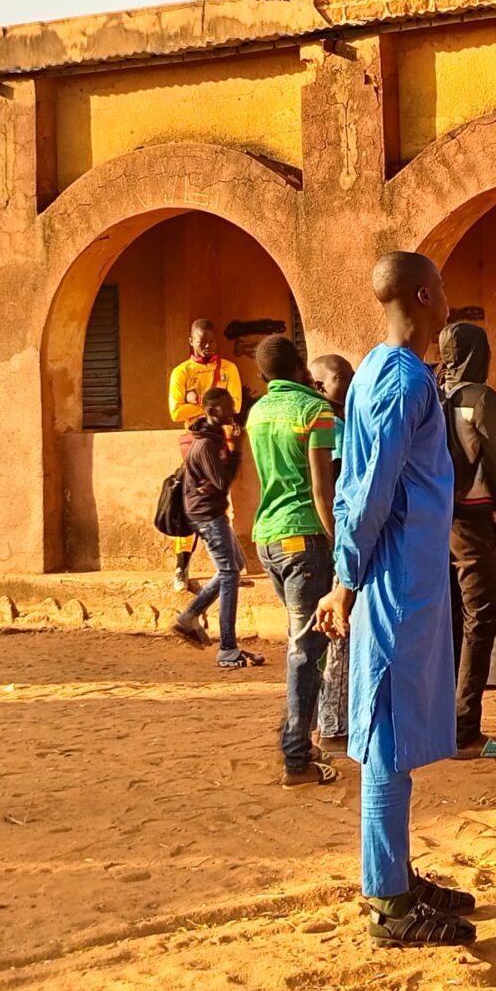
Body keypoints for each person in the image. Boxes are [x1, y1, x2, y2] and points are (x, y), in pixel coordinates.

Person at [315, 253, 479, 948]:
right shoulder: (400, 381)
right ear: (421, 294)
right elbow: (366, 491)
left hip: (406, 576)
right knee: (384, 730)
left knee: (400, 726)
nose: (449, 298)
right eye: (442, 287)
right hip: (390, 581)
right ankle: (388, 902)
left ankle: (398, 875)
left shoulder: (388, 371)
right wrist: (345, 580)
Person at [245, 335, 341, 785]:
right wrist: (339, 541)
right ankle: (297, 758)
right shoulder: (316, 412)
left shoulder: (258, 412)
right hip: (304, 539)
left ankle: (301, 737)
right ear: (301, 366)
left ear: (264, 376)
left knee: (306, 642)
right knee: (305, 649)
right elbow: (322, 489)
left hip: (267, 538)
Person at [440, 322, 496, 760]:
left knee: (450, 620)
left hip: (437, 522)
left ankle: (441, 723)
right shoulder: (482, 398)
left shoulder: (433, 394)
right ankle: (464, 731)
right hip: (473, 520)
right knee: (480, 620)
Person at [171, 391, 258, 667]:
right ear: (211, 409)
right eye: (227, 406)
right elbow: (222, 482)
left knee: (235, 565)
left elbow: (217, 481)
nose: (233, 409)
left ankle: (189, 616)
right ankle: (227, 649)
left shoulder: (214, 437)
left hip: (212, 511)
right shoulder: (207, 445)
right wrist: (239, 449)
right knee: (229, 573)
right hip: (207, 515)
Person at [167, 322, 244, 593]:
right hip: (193, 450)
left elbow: (235, 403)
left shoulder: (229, 369)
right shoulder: (181, 372)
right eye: (202, 342)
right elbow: (176, 411)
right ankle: (181, 566)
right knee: (189, 505)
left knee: (223, 504)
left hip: (221, 446)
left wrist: (197, 404)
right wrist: (210, 405)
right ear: (191, 341)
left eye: (212, 341)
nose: (207, 346)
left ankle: (226, 565)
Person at [307, 352, 358, 741]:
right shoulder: (332, 425)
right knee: (338, 629)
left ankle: (321, 717)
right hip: (337, 536)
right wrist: (340, 542)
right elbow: (335, 484)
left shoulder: (342, 418)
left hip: (335, 536)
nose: (351, 379)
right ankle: (333, 724)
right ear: (321, 385)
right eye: (343, 375)